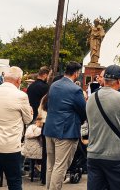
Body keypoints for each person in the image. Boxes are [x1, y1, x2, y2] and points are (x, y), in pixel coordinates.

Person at [86, 65, 120, 190]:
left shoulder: (91, 98)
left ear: (104, 79)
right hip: (116, 154)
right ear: (119, 81)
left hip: (94, 154)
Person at [0, 65, 33, 190]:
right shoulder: (21, 96)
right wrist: (30, 112)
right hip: (10, 146)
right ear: (19, 80)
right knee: (14, 181)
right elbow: (28, 119)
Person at [42, 62, 87, 190]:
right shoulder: (75, 89)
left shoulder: (54, 85)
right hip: (66, 131)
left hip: (50, 128)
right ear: (76, 73)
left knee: (51, 165)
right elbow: (83, 111)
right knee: (60, 166)